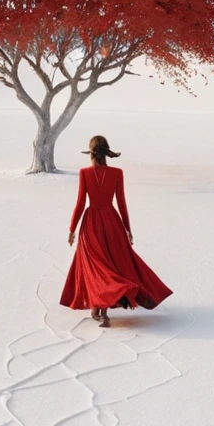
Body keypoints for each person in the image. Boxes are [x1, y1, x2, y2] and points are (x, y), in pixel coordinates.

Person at [61, 136, 172, 327]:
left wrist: (72, 229)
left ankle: (101, 308)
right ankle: (101, 308)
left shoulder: (85, 173)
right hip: (112, 222)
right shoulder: (117, 173)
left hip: (91, 224)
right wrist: (127, 229)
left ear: (91, 153)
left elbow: (80, 204)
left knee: (96, 265)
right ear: (106, 153)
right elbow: (121, 203)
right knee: (110, 264)